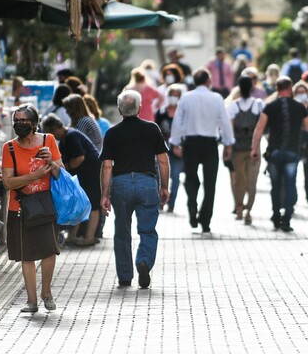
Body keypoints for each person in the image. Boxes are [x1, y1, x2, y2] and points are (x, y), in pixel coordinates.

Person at [100, 90, 169, 288]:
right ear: (139, 108)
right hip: (146, 183)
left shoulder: (112, 133)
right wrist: (164, 187)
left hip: (120, 185)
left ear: (120, 110)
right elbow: (163, 160)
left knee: (121, 231)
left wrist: (105, 194)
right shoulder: (152, 129)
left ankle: (124, 275)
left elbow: (107, 165)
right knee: (147, 229)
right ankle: (144, 261)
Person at [1, 104, 63, 313]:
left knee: (48, 250)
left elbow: (60, 173)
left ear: (35, 123)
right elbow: (8, 183)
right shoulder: (9, 148)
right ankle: (31, 301)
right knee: (26, 255)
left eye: (24, 121)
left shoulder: (48, 141)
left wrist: (51, 163)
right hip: (19, 207)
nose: (20, 125)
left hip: (45, 205)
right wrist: (35, 176)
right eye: (16, 121)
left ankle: (47, 293)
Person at [169, 68, 235, 234]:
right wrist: (228, 143)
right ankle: (205, 220)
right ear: (208, 81)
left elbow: (178, 121)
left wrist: (175, 143)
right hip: (209, 144)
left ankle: (192, 205)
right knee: (210, 183)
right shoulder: (216, 98)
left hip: (190, 143)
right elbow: (224, 122)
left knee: (190, 178)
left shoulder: (186, 98)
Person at [251, 76, 308, 232]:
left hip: (274, 152)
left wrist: (254, 149)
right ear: (290, 88)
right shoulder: (299, 107)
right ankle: (287, 218)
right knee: (290, 184)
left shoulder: (269, 107)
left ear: (277, 89)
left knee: (276, 185)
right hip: (293, 152)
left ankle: (275, 216)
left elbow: (259, 129)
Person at [41, 113, 101, 246]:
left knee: (93, 205)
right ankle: (72, 236)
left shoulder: (71, 136)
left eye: (50, 132)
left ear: (55, 128)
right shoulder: (65, 139)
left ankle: (89, 237)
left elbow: (79, 158)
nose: (51, 136)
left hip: (91, 173)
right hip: (82, 175)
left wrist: (64, 168)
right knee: (77, 202)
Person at [227, 76, 263, 224]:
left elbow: (229, 130)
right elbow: (261, 127)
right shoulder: (258, 104)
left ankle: (239, 208)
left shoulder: (232, 106)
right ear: (252, 88)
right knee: (252, 181)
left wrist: (228, 148)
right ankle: (249, 210)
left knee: (238, 181)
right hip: (253, 148)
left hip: (237, 149)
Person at [155, 84, 185, 213]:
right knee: (159, 175)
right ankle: (160, 201)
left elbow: (186, 131)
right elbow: (155, 131)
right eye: (171, 95)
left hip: (177, 149)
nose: (173, 98)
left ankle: (171, 203)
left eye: (176, 95)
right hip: (162, 148)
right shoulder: (161, 112)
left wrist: (182, 147)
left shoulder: (183, 113)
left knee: (175, 176)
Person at [293, 82, 308, 204]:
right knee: (293, 169)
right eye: (299, 92)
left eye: (303, 92)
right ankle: (293, 197)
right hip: (296, 140)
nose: (302, 95)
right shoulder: (293, 107)